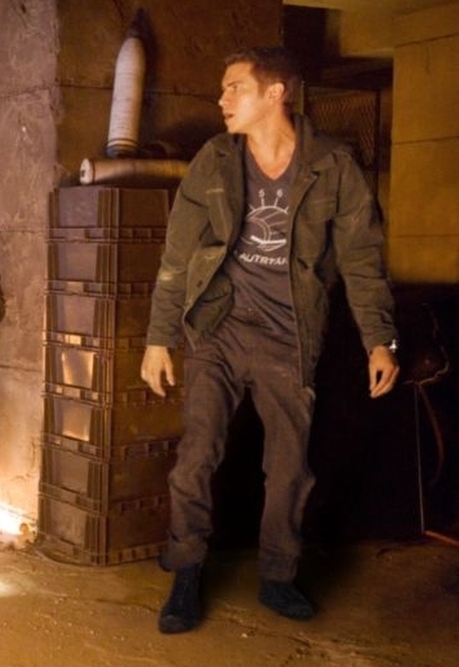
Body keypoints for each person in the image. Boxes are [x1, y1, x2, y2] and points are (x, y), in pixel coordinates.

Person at [141, 47, 399, 633]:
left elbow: (362, 258)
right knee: (197, 456)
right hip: (220, 328)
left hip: (290, 336)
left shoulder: (333, 164)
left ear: (275, 93)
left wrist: (380, 340)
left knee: (288, 467)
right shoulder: (215, 159)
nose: (222, 99)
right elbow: (178, 254)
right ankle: (186, 570)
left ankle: (278, 575)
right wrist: (159, 339)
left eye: (235, 87)